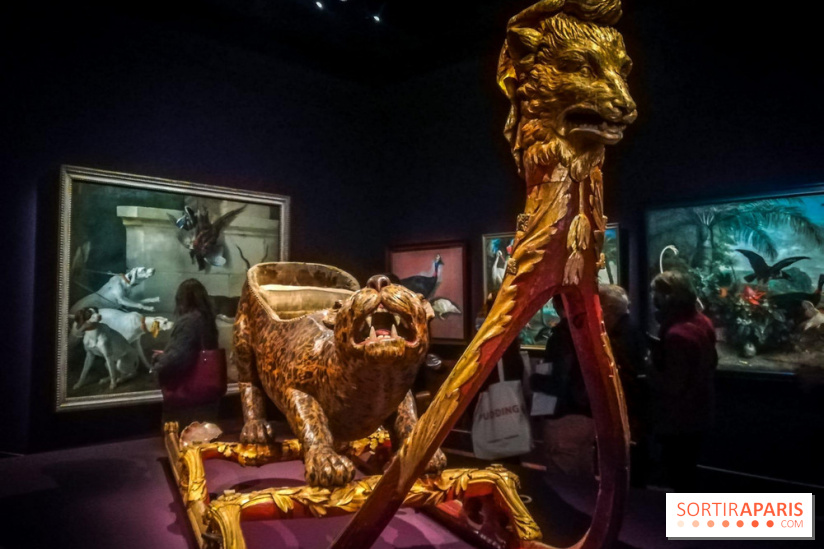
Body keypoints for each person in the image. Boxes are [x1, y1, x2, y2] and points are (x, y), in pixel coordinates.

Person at [649, 271, 718, 492]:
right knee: (688, 469)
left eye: (657, 293)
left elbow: (673, 385)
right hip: (701, 410)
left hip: (679, 418)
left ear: (668, 297)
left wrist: (650, 368)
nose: (654, 299)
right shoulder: (702, 321)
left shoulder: (677, 334)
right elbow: (711, 361)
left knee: (679, 474)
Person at [531, 295, 595, 478]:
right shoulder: (592, 331)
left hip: (564, 414)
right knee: (585, 475)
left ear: (557, 305)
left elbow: (560, 380)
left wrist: (535, 380)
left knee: (563, 477)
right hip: (588, 413)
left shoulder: (561, 337)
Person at [152, 278, 222, 427]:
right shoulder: (207, 320)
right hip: (207, 397)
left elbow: (179, 358)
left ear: (181, 299)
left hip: (187, 401)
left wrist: (159, 360)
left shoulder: (189, 322)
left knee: (182, 444)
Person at [598, 284, 649, 487]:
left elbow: (622, 376)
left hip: (626, 408)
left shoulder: (619, 337)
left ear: (608, 309)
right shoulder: (632, 329)